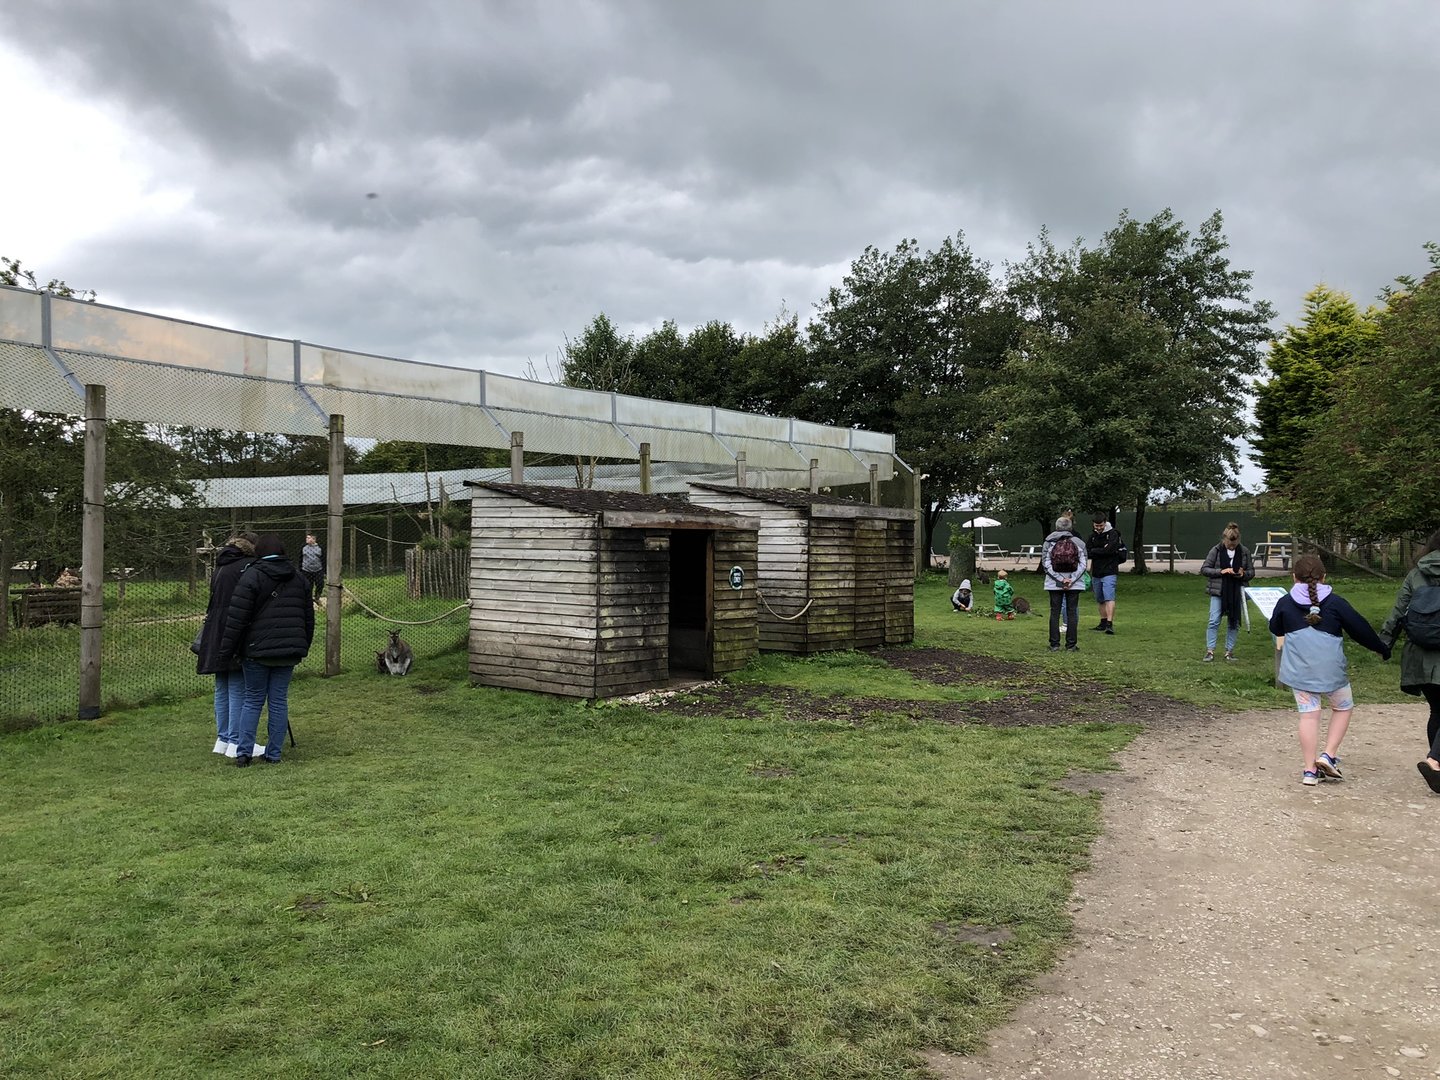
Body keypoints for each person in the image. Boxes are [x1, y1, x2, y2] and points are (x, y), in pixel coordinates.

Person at [1269, 553, 1389, 786]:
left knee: (1309, 715)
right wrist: (1381, 648)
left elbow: (1276, 627)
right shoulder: (1336, 603)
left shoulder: (1285, 602)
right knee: (1343, 707)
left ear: (1294, 577)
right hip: (1331, 672)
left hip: (1300, 672)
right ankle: (1328, 755)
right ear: (1324, 577)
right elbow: (1360, 628)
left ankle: (1309, 771)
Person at [218, 533, 314, 767]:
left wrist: (227, 650)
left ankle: (243, 753)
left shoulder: (252, 575)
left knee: (252, 700)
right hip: (288, 651)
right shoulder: (299, 578)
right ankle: (274, 753)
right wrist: (303, 646)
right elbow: (308, 618)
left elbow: (237, 618)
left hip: (256, 650)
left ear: (259, 551)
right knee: (278, 701)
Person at [1379, 528, 1440, 794]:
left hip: (1419, 655)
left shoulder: (1416, 574)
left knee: (1437, 711)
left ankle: (1436, 770)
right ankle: (1435, 761)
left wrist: (1384, 643)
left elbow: (1398, 611)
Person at [194, 532, 257, 758]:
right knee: (238, 683)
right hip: (234, 627)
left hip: (214, 627)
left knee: (222, 684)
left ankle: (222, 739)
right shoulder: (246, 566)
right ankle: (236, 740)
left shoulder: (221, 565)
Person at [1200, 522, 1255, 661]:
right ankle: (1210, 651)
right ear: (1224, 539)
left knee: (1234, 621)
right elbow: (1205, 569)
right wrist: (1221, 571)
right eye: (1230, 544)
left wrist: (1243, 574)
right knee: (1213, 621)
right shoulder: (1216, 550)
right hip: (1219, 591)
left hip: (1237, 591)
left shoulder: (1244, 551)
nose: (1232, 546)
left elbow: (1251, 572)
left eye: (1234, 544)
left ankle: (1229, 652)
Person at [1042, 516, 1088, 652]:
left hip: (1053, 583)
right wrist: (1071, 579)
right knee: (1072, 612)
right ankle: (1071, 645)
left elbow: (1046, 564)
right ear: (1071, 528)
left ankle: (1054, 644)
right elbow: (1083, 564)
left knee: (1054, 612)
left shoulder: (1049, 542)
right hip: (1075, 584)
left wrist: (1060, 580)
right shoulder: (1078, 542)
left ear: (1056, 527)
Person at [1087, 512, 1123, 634]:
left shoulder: (1113, 534)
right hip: (1096, 571)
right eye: (1096, 526)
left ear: (1105, 523)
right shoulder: (1092, 536)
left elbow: (1111, 550)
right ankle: (1102, 622)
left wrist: (1097, 551)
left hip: (1110, 570)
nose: (1098, 528)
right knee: (1100, 598)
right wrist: (1102, 550)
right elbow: (1088, 551)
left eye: (1100, 525)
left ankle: (1109, 623)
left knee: (1109, 597)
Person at [300, 533, 324, 603]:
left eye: (308, 538)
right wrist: (300, 569)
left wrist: (324, 570)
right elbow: (300, 559)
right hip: (306, 570)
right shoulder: (303, 547)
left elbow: (323, 559)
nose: (306, 539)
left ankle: (317, 597)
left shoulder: (320, 547)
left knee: (320, 584)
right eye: (306, 538)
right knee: (308, 586)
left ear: (313, 539)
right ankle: (308, 599)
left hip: (318, 570)